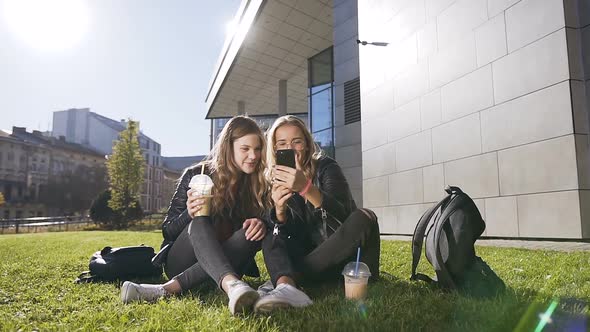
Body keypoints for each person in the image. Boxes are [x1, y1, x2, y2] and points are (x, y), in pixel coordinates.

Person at [120, 116, 270, 315]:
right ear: (228, 147)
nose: (253, 155)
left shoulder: (258, 182)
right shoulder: (196, 174)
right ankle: (231, 285)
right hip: (183, 261)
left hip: (229, 260)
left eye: (257, 149)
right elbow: (168, 230)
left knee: (255, 230)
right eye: (245, 149)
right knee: (199, 221)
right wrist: (188, 214)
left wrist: (260, 222)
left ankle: (168, 289)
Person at [254, 115, 380, 312]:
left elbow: (343, 215)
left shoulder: (326, 167)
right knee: (271, 228)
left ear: (306, 144)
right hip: (309, 260)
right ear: (275, 149)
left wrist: (306, 188)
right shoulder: (273, 181)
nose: (290, 148)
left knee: (364, 216)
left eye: (296, 141)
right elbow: (291, 238)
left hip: (341, 261)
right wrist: (279, 211)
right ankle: (287, 285)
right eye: (282, 143)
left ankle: (287, 282)